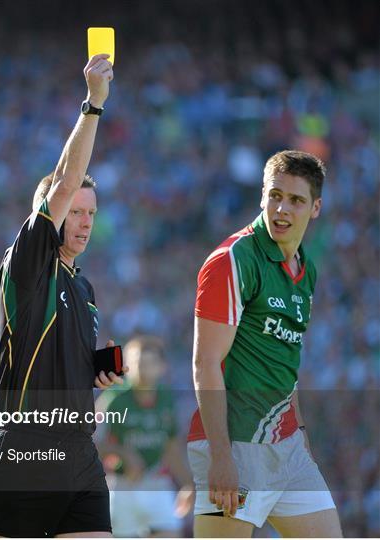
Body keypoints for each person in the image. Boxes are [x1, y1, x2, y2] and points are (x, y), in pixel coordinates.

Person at [0, 54, 126, 538]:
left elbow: (62, 362)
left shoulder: (83, 288)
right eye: (76, 211)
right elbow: (63, 182)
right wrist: (94, 105)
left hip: (80, 453)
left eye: (92, 213)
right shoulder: (27, 262)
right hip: (26, 448)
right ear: (49, 215)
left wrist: (97, 370)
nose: (85, 221)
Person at [187, 150, 343, 538]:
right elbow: (204, 363)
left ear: (316, 207)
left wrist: (301, 432)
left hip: (287, 445)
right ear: (261, 196)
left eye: (295, 200)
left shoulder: (306, 268)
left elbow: (285, 358)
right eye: (275, 195)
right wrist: (221, 458)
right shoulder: (233, 259)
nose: (282, 208)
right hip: (236, 446)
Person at [96, 335, 194, 537]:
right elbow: (90, 443)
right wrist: (122, 454)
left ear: (162, 366)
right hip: (122, 485)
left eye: (150, 363)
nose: (142, 369)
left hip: (157, 482)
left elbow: (172, 448)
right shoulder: (114, 400)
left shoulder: (167, 399)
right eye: (137, 362)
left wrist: (187, 483)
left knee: (171, 533)